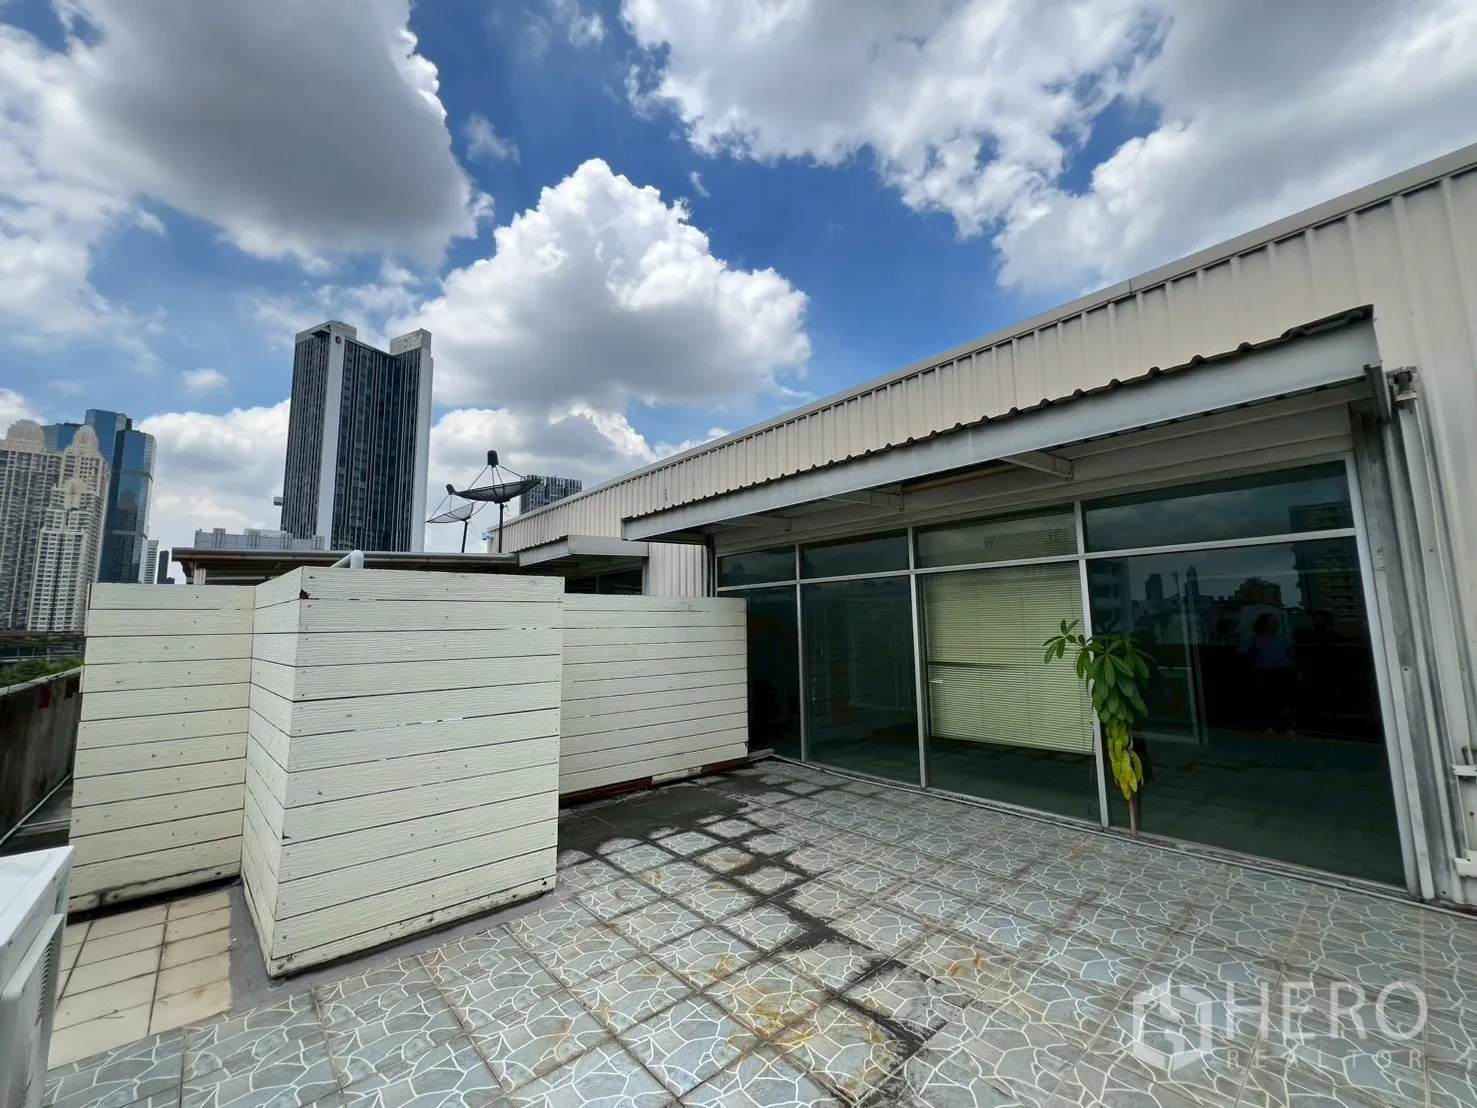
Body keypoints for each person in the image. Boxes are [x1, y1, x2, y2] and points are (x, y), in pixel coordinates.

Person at [1241, 612, 1298, 735]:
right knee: (1267, 701)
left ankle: (1288, 727)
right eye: (1271, 621)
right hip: (1265, 672)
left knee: (1285, 701)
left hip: (1283, 671)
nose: (1274, 623)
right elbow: (1245, 654)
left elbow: (1291, 653)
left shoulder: (1281, 638)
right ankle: (1269, 727)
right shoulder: (1254, 639)